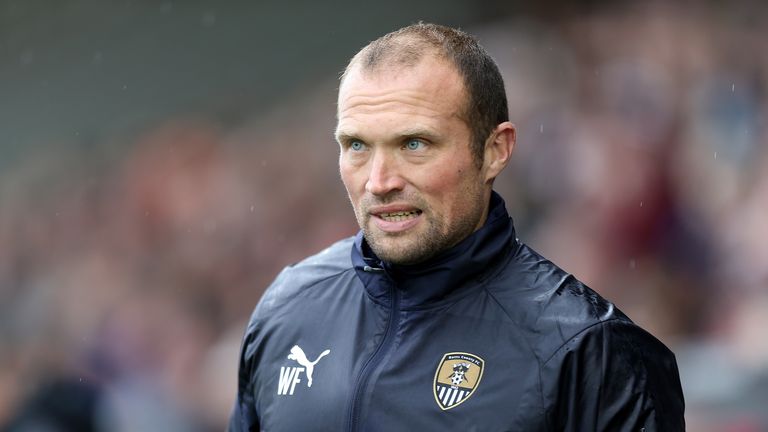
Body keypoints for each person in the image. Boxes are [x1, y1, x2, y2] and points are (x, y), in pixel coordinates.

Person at [228, 23, 685, 431]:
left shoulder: (587, 349)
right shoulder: (288, 308)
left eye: (414, 144)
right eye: (357, 146)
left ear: (495, 151)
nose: (379, 182)